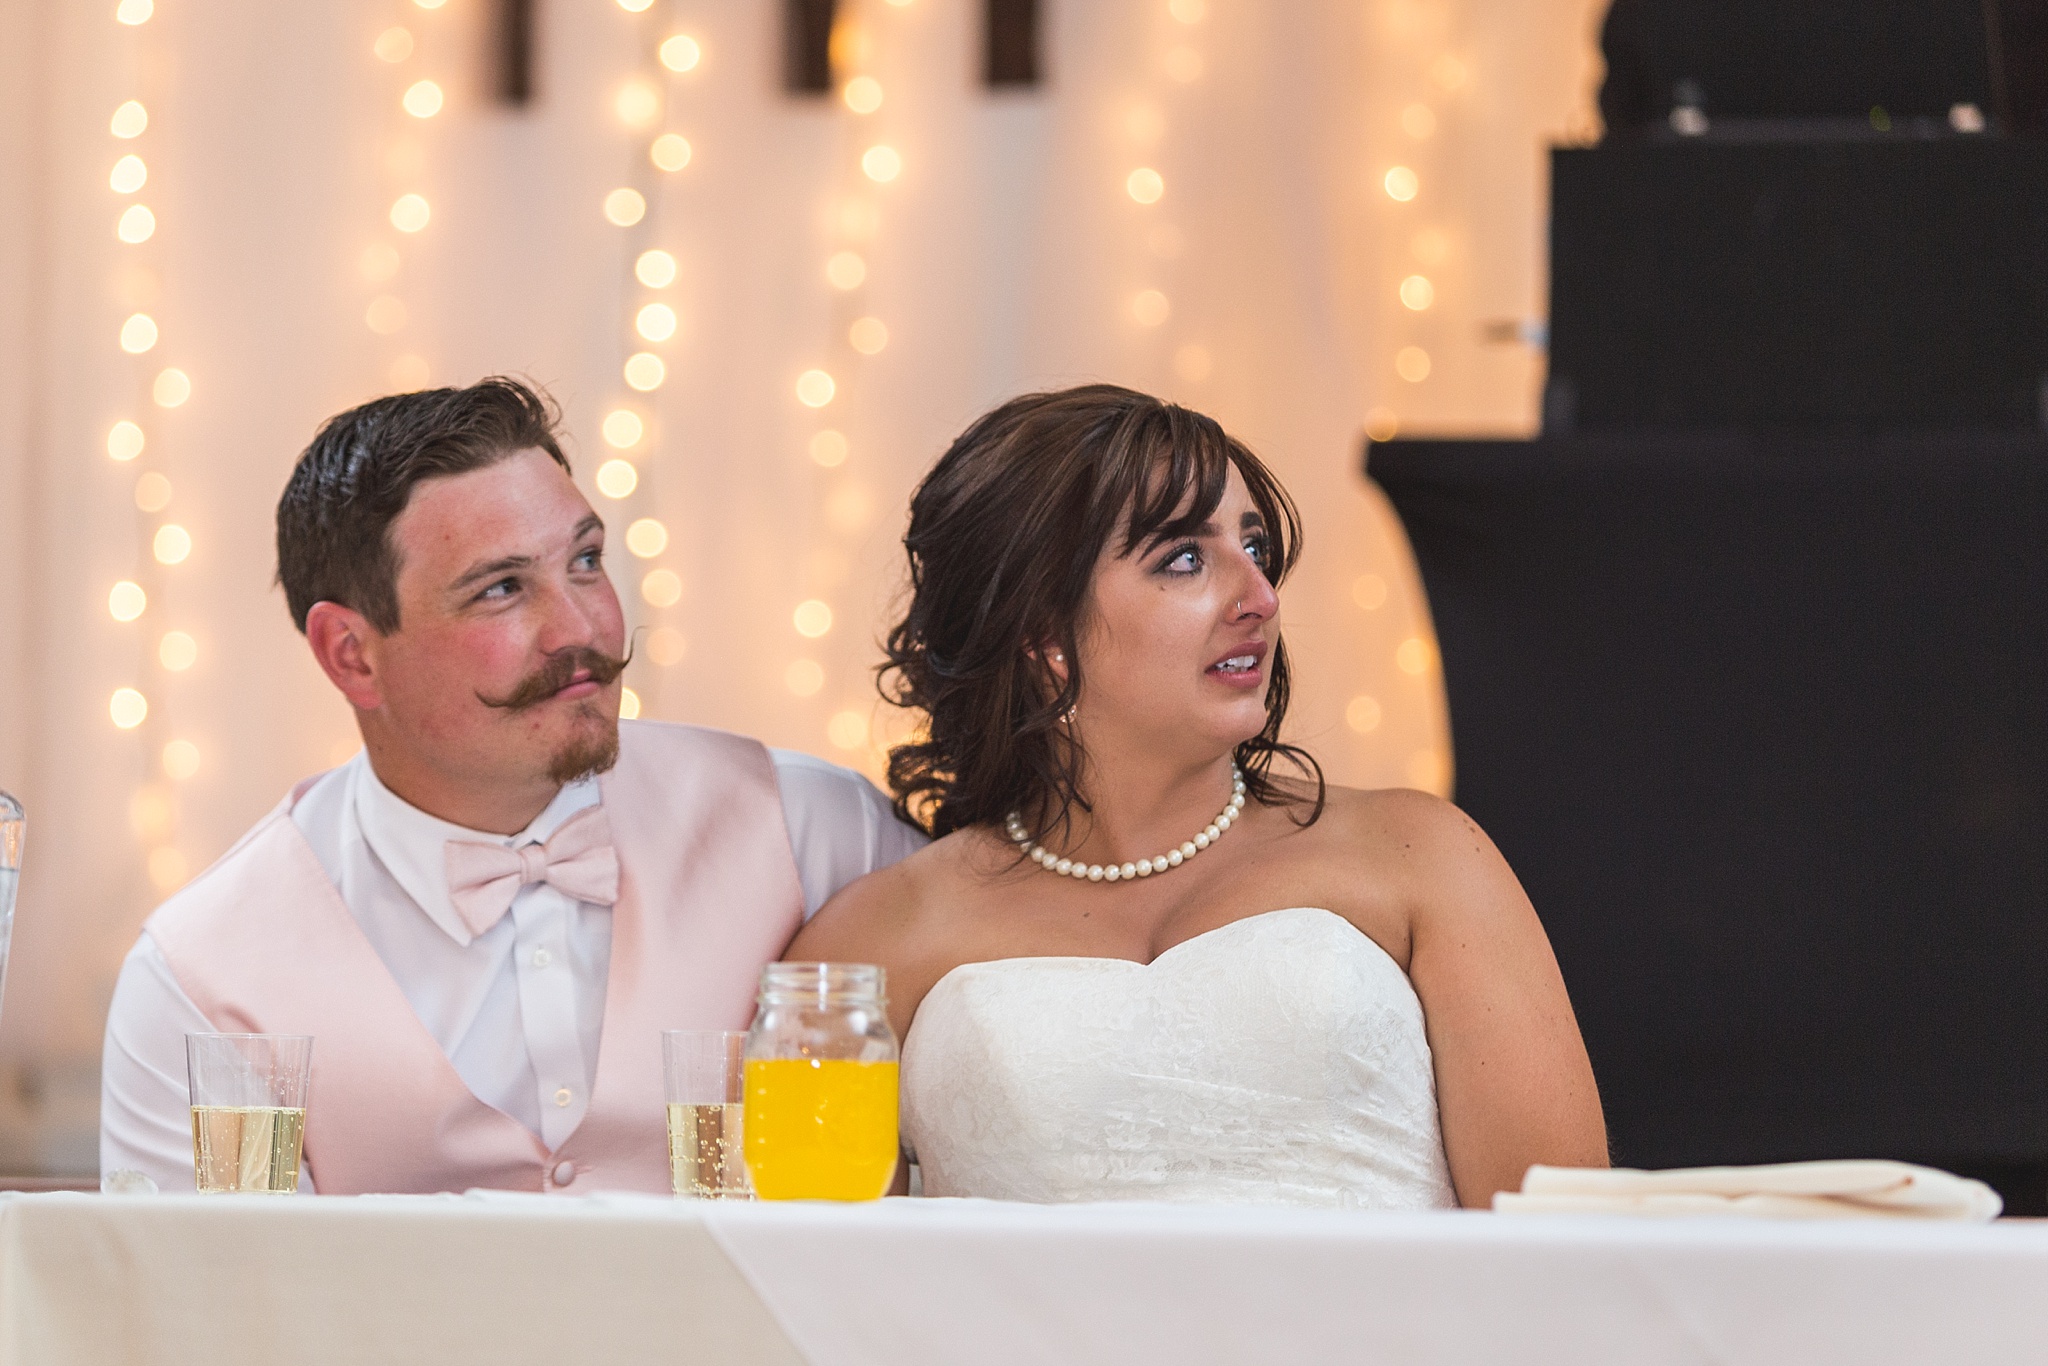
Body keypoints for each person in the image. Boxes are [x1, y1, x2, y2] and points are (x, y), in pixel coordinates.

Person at [789, 385, 1607, 1208]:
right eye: (1185, 559)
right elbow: (804, 1284)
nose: (1259, 597)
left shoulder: (1421, 856)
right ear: (1041, 635)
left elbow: (1570, 1258)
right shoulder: (869, 945)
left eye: (1254, 546)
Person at [100, 378, 923, 1194]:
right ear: (351, 654)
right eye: (502, 588)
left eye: (587, 562)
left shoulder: (814, 832)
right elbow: (216, 1305)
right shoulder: (202, 979)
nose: (583, 629)